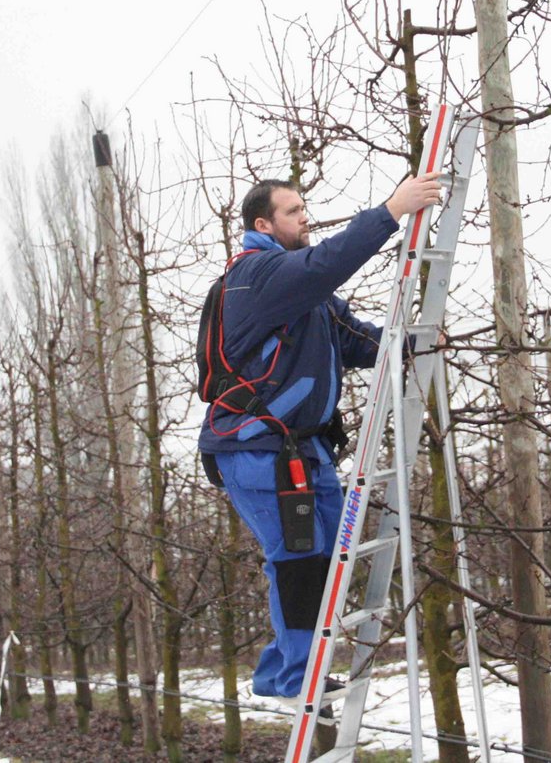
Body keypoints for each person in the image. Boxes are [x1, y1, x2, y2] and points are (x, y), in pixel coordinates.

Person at [199, 172, 443, 709]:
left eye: (304, 207)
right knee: (300, 558)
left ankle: (285, 670)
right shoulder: (258, 274)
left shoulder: (308, 296)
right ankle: (291, 679)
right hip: (255, 446)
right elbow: (326, 261)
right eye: (293, 211)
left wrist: (412, 343)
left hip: (300, 448)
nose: (305, 216)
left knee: (327, 557)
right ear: (263, 225)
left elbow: (356, 340)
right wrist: (390, 210)